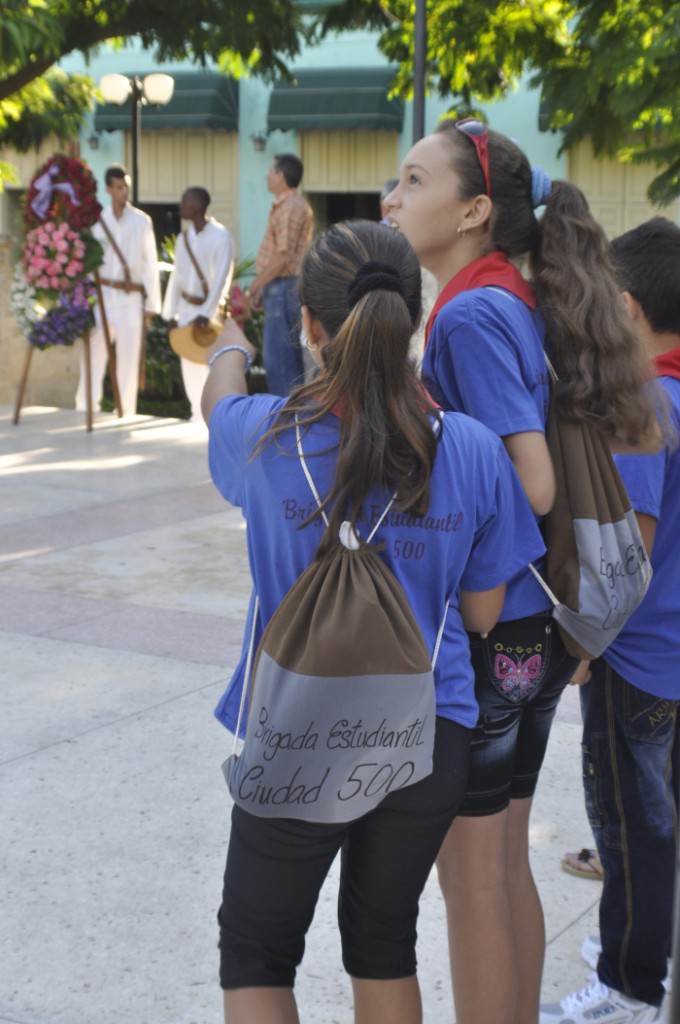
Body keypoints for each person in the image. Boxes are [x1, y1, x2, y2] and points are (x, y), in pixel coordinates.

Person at [201, 218, 547, 1024]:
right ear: (411, 320)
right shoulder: (467, 448)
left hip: (296, 732)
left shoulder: (263, 437)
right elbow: (484, 613)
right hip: (429, 737)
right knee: (385, 941)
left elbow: (220, 402)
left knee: (256, 954)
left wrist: (229, 346)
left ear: (312, 326)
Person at [384, 119, 661, 1024]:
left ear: (472, 210)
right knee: (500, 862)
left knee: (472, 878)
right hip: (538, 628)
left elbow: (531, 477)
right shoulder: (509, 294)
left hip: (501, 623)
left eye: (413, 180)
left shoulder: (468, 313)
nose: (392, 197)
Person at [540, 217, 680, 1024]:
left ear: (625, 309)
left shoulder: (644, 403)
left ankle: (631, 983)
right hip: (673, 654)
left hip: (638, 662)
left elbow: (633, 551)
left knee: (630, 828)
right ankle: (645, 951)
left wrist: (587, 644)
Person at [75, 164, 161, 416]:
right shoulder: (97, 223)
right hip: (103, 297)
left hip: (131, 298)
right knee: (93, 353)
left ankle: (125, 410)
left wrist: (152, 305)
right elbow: (87, 260)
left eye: (126, 186)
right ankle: (85, 406)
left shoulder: (141, 221)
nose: (124, 191)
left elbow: (150, 264)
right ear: (109, 189)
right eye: (119, 187)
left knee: (128, 358)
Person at [241, 153, 313, 396]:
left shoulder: (290, 206)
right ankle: (291, 424)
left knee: (281, 366)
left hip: (284, 288)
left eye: (270, 171)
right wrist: (263, 287)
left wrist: (253, 288)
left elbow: (283, 256)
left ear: (281, 176)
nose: (267, 176)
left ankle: (288, 427)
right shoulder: (288, 205)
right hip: (281, 286)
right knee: (284, 364)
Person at [162, 187, 234, 420]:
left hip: (208, 315)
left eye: (185, 201)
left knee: (211, 364)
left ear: (198, 205)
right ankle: (196, 414)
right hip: (184, 310)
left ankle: (213, 416)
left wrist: (206, 312)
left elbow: (222, 276)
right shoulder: (183, 239)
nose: (181, 206)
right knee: (189, 364)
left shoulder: (221, 236)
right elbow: (176, 278)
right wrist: (171, 314)